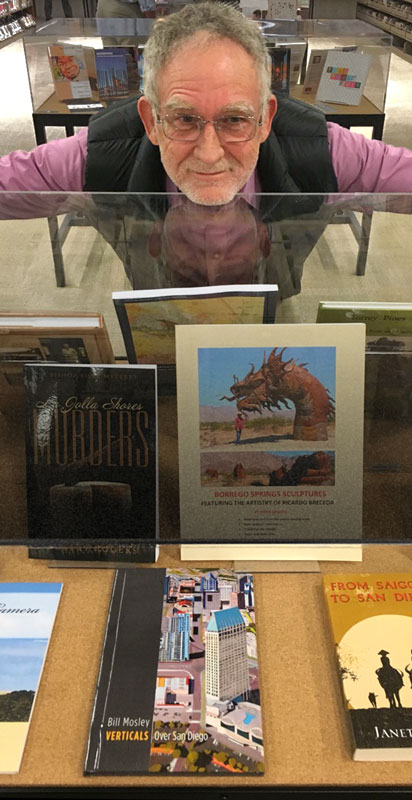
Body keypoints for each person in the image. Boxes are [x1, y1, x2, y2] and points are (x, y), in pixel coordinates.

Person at [1, 3, 412, 293]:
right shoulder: (103, 153)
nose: (210, 153)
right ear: (151, 121)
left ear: (266, 118)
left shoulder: (319, 148)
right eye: (184, 119)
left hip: (266, 310)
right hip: (157, 316)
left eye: (234, 119)